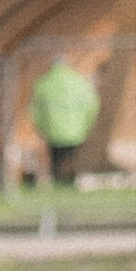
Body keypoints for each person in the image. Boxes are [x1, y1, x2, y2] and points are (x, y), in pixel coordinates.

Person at [30, 54, 99, 186]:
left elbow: (34, 110)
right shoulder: (80, 82)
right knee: (72, 159)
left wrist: (41, 128)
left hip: (52, 131)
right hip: (76, 131)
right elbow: (92, 105)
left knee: (57, 161)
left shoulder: (43, 83)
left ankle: (59, 182)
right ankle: (71, 181)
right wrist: (86, 125)